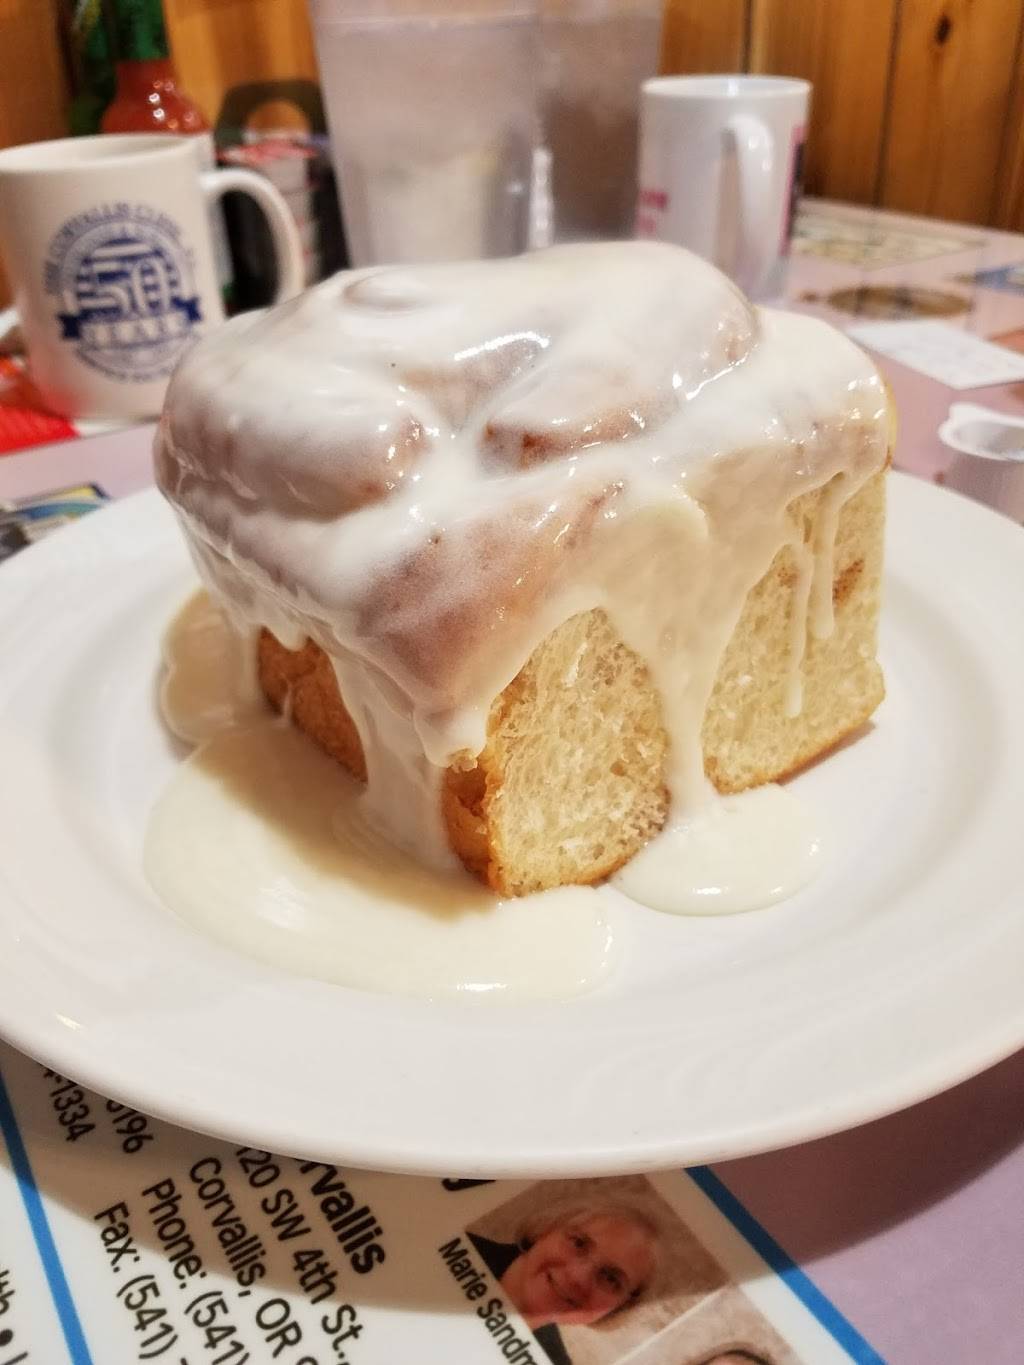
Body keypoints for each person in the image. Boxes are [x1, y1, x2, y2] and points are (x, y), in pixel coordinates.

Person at [469, 1202, 660, 1365]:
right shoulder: (456, 1243)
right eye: (578, 1243)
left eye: (611, 1278)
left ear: (621, 1307)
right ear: (544, 1229)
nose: (577, 1277)